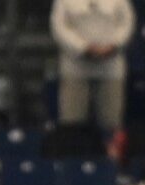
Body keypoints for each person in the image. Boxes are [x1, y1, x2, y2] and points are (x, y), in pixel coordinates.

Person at [49, 0, 136, 134]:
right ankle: (73, 154)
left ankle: (110, 154)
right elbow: (59, 27)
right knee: (71, 126)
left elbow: (127, 23)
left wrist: (113, 45)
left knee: (111, 125)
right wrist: (83, 48)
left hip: (110, 69)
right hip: (75, 69)